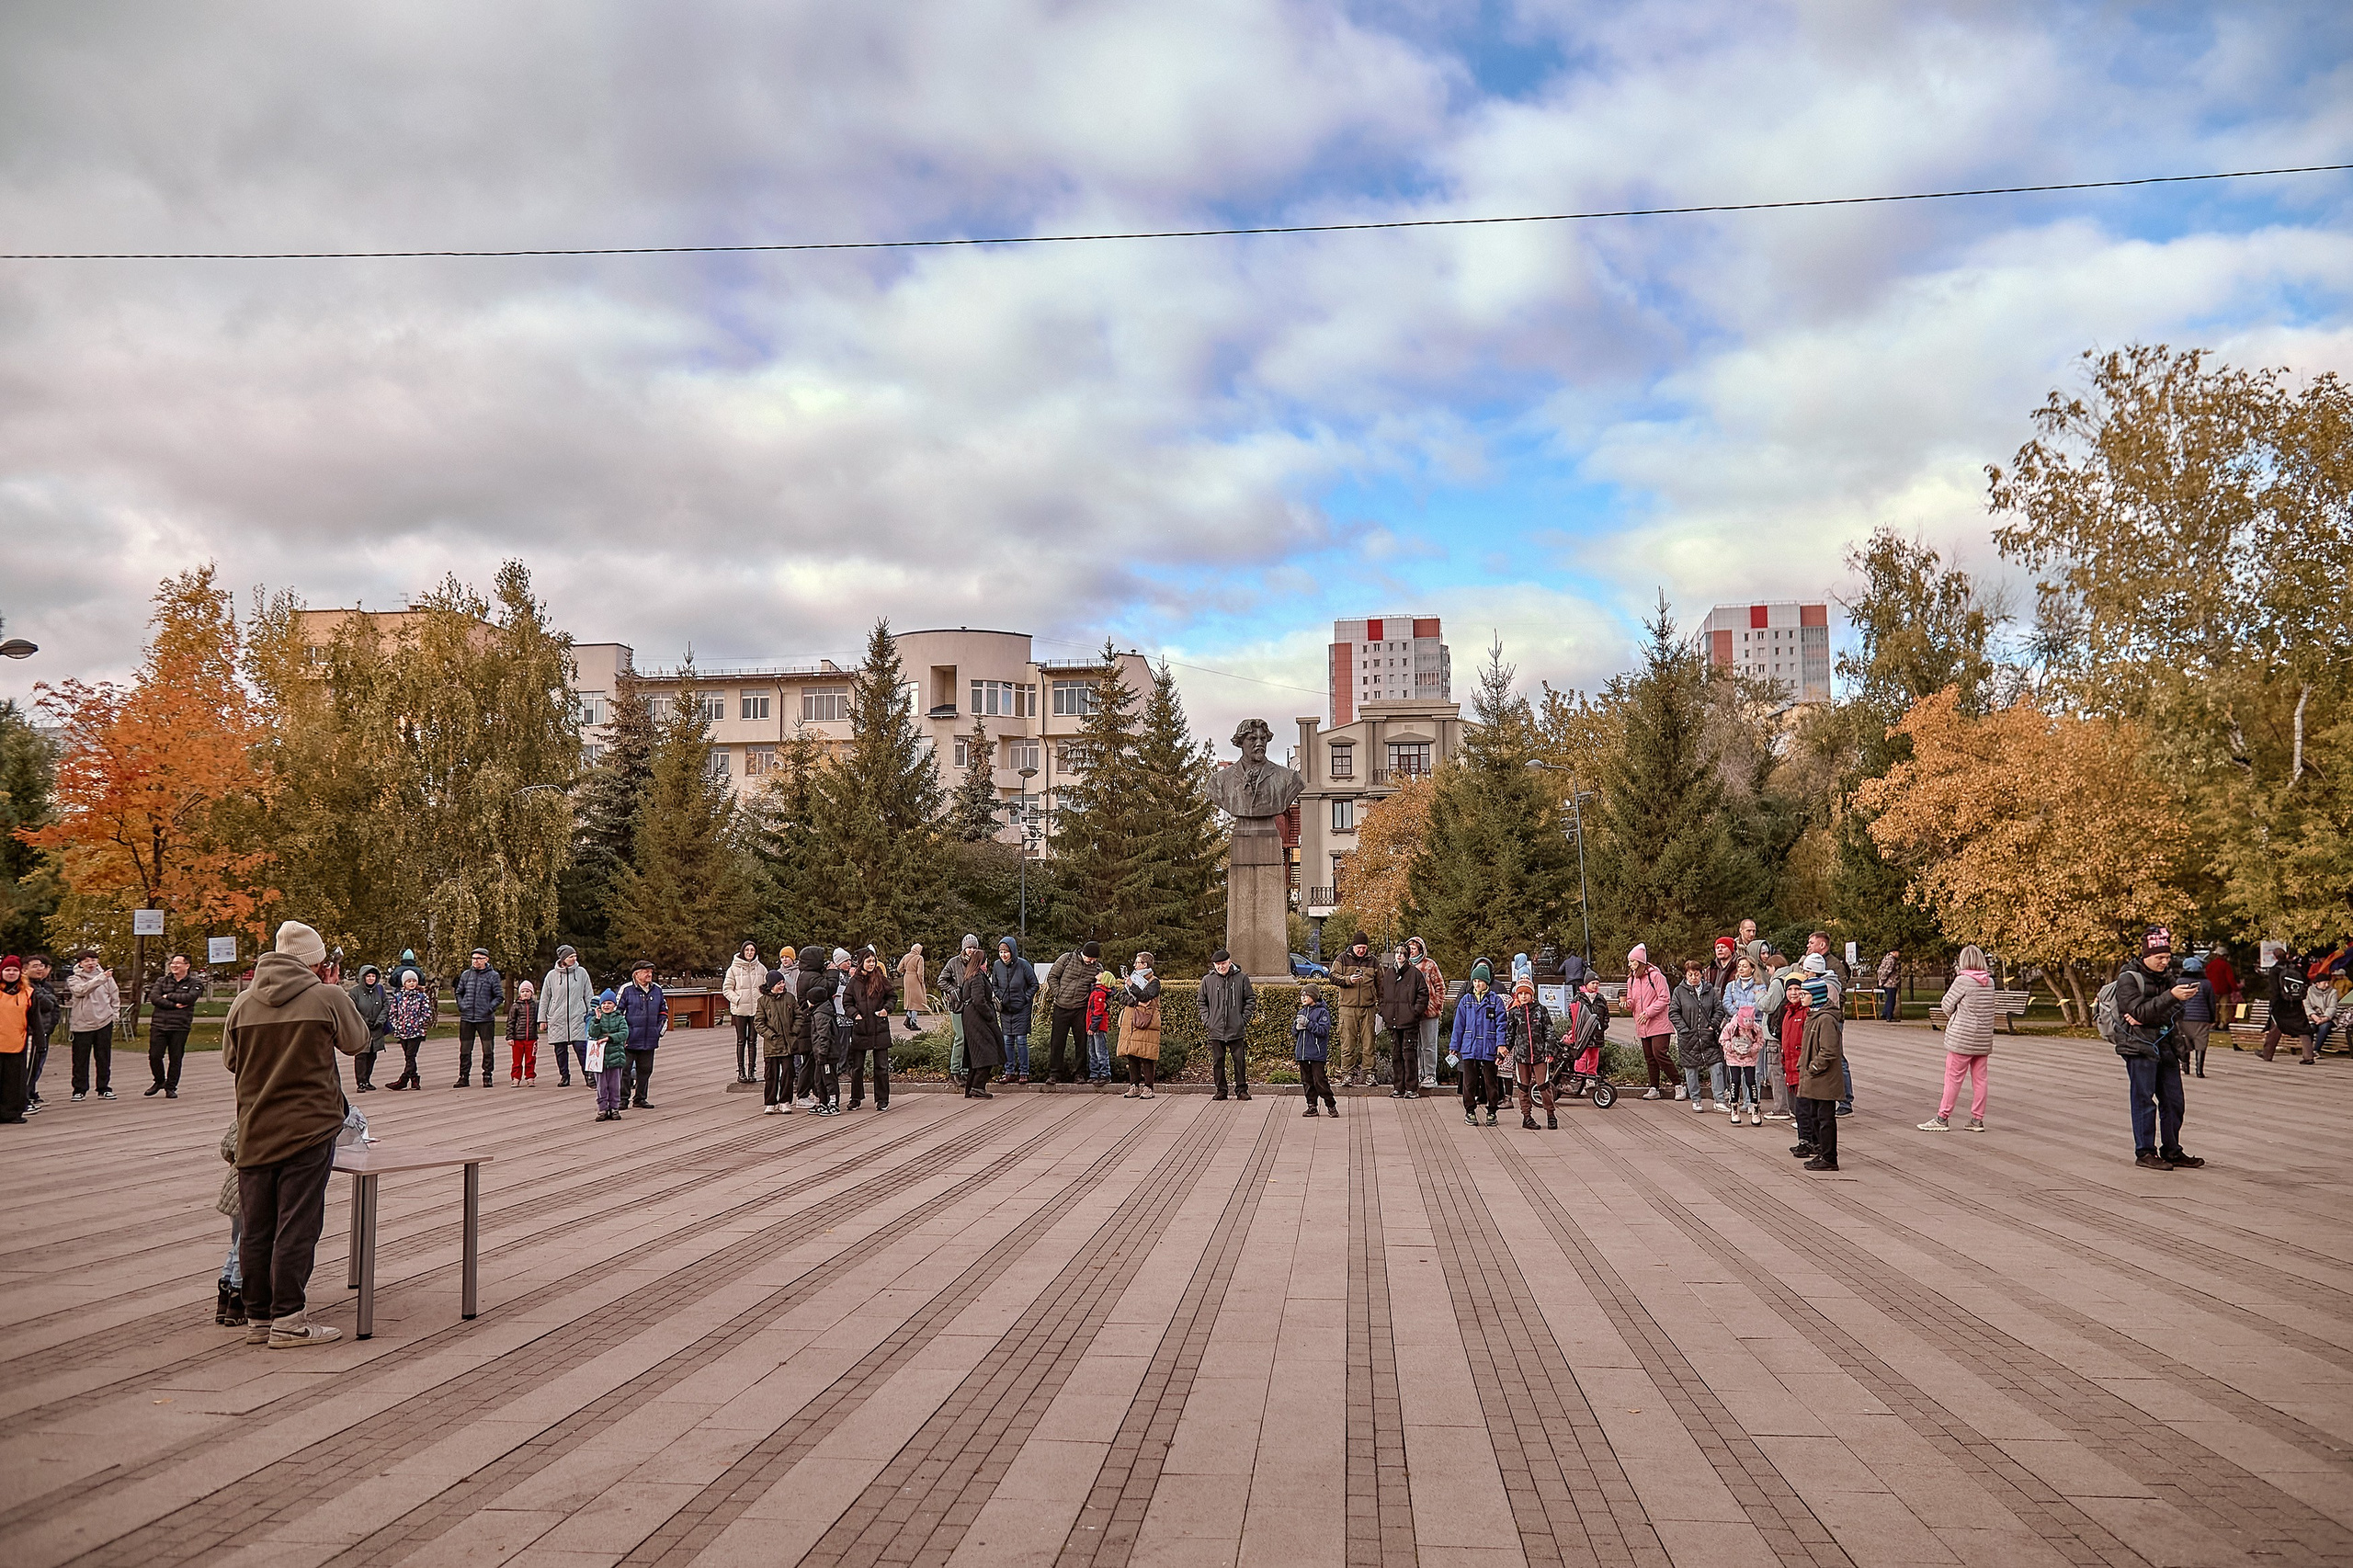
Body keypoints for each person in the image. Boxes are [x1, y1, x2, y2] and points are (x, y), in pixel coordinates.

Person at [223, 920, 368, 1347]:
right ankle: (289, 1319)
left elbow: (233, 1062)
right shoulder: (327, 996)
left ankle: (258, 1318)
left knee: (257, 1227)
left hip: (255, 1128)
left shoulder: (242, 1002)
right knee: (297, 1225)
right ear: (317, 962)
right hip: (308, 1128)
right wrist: (332, 988)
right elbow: (357, 1041)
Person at [2115, 928, 2201, 1170]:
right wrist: (2169, 998)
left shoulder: (2167, 978)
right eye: (2159, 958)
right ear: (2146, 956)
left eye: (2167, 957)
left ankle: (2172, 1150)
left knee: (2174, 1101)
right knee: (2144, 1100)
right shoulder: (2129, 978)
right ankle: (2145, 1152)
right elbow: (2136, 1011)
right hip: (2139, 1046)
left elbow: (2177, 1010)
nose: (2165, 963)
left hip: (2166, 1044)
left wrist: (2158, 1008)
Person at [1918, 946, 1995, 1132]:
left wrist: (1955, 1015)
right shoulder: (1989, 982)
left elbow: (1946, 1004)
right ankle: (1977, 1119)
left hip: (1962, 1037)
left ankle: (1942, 1118)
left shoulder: (1963, 981)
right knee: (1980, 1079)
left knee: (1953, 1078)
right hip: (1983, 1038)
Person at [1791, 957, 1845, 1171]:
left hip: (1823, 1078)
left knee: (1825, 1118)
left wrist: (1813, 1067)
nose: (1800, 997)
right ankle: (1822, 1152)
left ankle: (1829, 1157)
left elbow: (1829, 1050)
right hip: (1814, 1076)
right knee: (1815, 1116)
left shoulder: (1825, 1019)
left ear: (1815, 996)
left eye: (1804, 994)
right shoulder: (1815, 1015)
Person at [1670, 958, 1728, 1114]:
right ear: (1686, 975)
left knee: (1716, 1066)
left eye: (1696, 974)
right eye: (1690, 975)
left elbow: (1719, 1010)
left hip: (1708, 1035)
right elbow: (1673, 1012)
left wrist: (1712, 1026)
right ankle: (1696, 1099)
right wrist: (1684, 1029)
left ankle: (1720, 1099)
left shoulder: (1709, 990)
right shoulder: (1679, 991)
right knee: (1691, 1069)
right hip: (1688, 1036)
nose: (1694, 978)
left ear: (1702, 974)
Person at [1451, 960, 1506, 1125]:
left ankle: (1492, 1111)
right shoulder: (1466, 1001)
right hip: (1469, 1047)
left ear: (1487, 981)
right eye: (1475, 981)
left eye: (1480, 981)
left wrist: (1501, 1045)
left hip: (1489, 1048)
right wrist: (1454, 1046)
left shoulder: (1495, 1001)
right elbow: (1458, 1025)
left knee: (1491, 1081)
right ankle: (1470, 1110)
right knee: (1469, 1082)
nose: (1477, 984)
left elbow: (1502, 1025)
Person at [1373, 942, 1430, 1098]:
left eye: (1403, 953)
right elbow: (1383, 995)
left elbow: (1423, 994)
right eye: (1397, 952)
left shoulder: (1414, 974)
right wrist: (1384, 1012)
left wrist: (1414, 1012)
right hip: (1393, 1020)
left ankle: (1411, 1087)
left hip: (1409, 1021)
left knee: (1409, 1054)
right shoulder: (1389, 974)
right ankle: (1398, 1087)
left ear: (1407, 956)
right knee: (1396, 1054)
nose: (1399, 955)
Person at [1805, 932, 1854, 1113]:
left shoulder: (1833, 966)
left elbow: (1838, 994)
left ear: (1823, 945)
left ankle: (1845, 1101)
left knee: (1836, 1057)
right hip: (1817, 1017)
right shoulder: (1811, 960)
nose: (1808, 946)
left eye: (1812, 943)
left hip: (1830, 1018)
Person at [1199, 949, 1256, 1101]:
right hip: (1215, 1028)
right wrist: (1207, 1020)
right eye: (1217, 964)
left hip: (1235, 1028)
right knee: (1218, 1061)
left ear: (1229, 962)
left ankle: (1242, 1090)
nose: (1220, 967)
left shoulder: (1242, 978)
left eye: (1223, 963)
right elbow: (1202, 1002)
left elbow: (1250, 1000)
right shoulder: (1207, 980)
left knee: (1239, 1061)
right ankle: (1221, 1090)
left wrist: (1242, 1019)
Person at [146, 954, 206, 1098]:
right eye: (173, 963)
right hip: (159, 1024)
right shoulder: (162, 981)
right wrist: (174, 1004)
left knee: (176, 1057)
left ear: (187, 965)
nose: (174, 966)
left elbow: (190, 998)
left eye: (178, 963)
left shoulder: (194, 983)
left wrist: (168, 996)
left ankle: (171, 1086)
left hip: (180, 1025)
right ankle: (159, 1080)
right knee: (154, 1056)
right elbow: (154, 998)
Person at [793, 945, 844, 1111]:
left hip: (810, 1024)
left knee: (815, 1065)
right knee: (811, 1063)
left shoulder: (806, 974)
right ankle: (809, 1095)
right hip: (811, 1026)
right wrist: (833, 972)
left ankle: (819, 1097)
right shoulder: (811, 978)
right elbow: (829, 988)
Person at [1043, 941, 1101, 1084]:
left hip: (1081, 1009)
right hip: (1061, 1007)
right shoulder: (1066, 958)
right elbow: (1052, 977)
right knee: (1057, 1043)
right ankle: (1055, 1074)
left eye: (1094, 959)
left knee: (1081, 1043)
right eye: (1089, 958)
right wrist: (1058, 993)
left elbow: (1104, 989)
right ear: (1083, 953)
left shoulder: (1097, 968)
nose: (1091, 961)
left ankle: (1080, 1074)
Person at [846, 949, 895, 1111]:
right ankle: (856, 1098)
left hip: (879, 1027)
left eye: (873, 961)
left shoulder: (880, 978)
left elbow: (892, 996)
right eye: (868, 961)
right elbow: (847, 1002)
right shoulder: (854, 982)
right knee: (857, 1067)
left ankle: (882, 1099)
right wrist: (855, 1015)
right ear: (861, 963)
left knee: (881, 1066)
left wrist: (886, 1010)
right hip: (861, 1028)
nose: (871, 964)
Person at [540, 945, 595, 1088]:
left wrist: (593, 1013)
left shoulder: (582, 973)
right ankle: (564, 1076)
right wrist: (542, 1019)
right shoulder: (552, 975)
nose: (574, 959)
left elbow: (588, 994)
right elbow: (545, 997)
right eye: (571, 956)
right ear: (563, 959)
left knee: (581, 1048)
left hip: (578, 1017)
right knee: (560, 1050)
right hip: (557, 1018)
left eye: (575, 956)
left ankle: (588, 1075)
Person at [67, 950, 119, 1101]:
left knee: (103, 1057)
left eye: (93, 960)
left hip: (104, 1021)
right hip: (82, 1024)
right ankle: (79, 1089)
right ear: (80, 963)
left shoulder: (108, 978)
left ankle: (104, 1088)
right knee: (80, 1059)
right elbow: (81, 991)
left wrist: (114, 1014)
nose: (90, 963)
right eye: (87, 961)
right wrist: (100, 978)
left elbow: (114, 996)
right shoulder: (74, 979)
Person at [1506, 978, 1557, 1131]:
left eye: (1526, 993)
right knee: (1523, 1088)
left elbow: (1549, 1030)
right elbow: (1510, 1035)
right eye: (1520, 993)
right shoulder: (1514, 1012)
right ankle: (1527, 1117)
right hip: (1522, 1057)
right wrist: (1503, 1053)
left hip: (1540, 1055)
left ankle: (1551, 1114)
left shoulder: (1541, 1010)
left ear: (1532, 994)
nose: (1523, 996)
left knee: (1544, 1086)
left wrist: (1549, 1050)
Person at [1623, 945, 1674, 1100]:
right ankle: (1654, 1088)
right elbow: (1632, 1000)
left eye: (1632, 961)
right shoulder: (1631, 979)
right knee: (1649, 1057)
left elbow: (1665, 998)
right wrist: (1628, 1004)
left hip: (1658, 1023)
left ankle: (1678, 1084)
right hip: (1642, 1024)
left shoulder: (1656, 977)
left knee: (1660, 1053)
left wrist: (1649, 1012)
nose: (1630, 965)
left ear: (1640, 961)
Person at [953, 943, 1003, 1098]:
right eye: (986, 961)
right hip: (977, 1018)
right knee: (986, 1051)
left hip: (971, 1017)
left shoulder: (971, 975)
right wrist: (989, 1015)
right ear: (981, 962)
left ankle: (972, 1087)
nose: (987, 964)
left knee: (976, 1053)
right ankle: (978, 1086)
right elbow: (979, 1000)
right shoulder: (977, 977)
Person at [1328, 934, 1379, 1087]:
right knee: (1347, 1043)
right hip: (1347, 1008)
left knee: (1369, 1043)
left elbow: (1381, 984)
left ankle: (1369, 1074)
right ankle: (1347, 1075)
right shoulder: (1342, 959)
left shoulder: (1373, 961)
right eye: (1359, 948)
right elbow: (1332, 977)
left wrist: (1381, 1006)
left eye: (1364, 948)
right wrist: (1348, 980)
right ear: (1353, 946)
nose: (1362, 950)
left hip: (1368, 1007)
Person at [620, 961, 667, 1108]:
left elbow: (664, 1011)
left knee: (646, 1070)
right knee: (625, 1070)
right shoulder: (626, 990)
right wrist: (623, 1034)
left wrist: (658, 1031)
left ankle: (640, 1098)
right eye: (645, 971)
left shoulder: (657, 990)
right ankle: (623, 1099)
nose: (649, 974)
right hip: (630, 1039)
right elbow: (617, 1013)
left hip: (650, 1038)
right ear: (636, 974)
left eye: (650, 971)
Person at [756, 968, 802, 1114]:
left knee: (788, 1073)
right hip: (772, 1045)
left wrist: (794, 1031)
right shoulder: (763, 1001)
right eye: (778, 983)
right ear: (771, 985)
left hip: (788, 1044)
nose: (782, 986)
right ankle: (770, 1102)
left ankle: (785, 1101)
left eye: (783, 982)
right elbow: (758, 1022)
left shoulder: (789, 998)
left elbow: (799, 1016)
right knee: (771, 1075)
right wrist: (770, 1035)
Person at [991, 937, 1038, 1083]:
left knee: (1021, 1040)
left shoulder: (1023, 965)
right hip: (1005, 1009)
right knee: (1007, 1040)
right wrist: (999, 997)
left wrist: (1025, 998)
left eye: (1006, 951)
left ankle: (1024, 1072)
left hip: (1021, 1009)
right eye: (1001, 952)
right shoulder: (997, 966)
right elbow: (994, 985)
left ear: (1012, 951)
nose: (1003, 955)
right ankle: (1009, 1071)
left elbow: (1034, 984)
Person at [2259, 950, 2316, 1065]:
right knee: (2303, 1027)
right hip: (2296, 1002)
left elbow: (2274, 990)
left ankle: (2267, 1054)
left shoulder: (2275, 970)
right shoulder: (2296, 968)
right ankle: (2308, 1055)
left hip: (2281, 1003)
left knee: (2276, 1026)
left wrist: (2273, 1005)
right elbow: (2305, 982)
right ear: (2286, 955)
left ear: (2275, 957)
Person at [214, 1123, 245, 1325]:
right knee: (246, 1245)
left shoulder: (244, 1116)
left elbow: (226, 1147)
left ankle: (224, 1293)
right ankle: (238, 1294)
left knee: (237, 1244)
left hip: (234, 1187)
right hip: (252, 1190)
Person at [722, 940, 767, 1085]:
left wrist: (762, 1000)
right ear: (743, 951)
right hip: (740, 1010)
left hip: (756, 1010)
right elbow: (727, 988)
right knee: (741, 1040)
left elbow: (767, 987)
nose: (749, 953)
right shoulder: (733, 969)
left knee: (753, 1041)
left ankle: (751, 1071)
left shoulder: (760, 968)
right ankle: (741, 1071)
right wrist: (737, 999)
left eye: (752, 950)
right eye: (747, 950)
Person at [1119, 954, 1161, 1099]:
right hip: (1130, 1020)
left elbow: (1146, 996)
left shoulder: (1154, 981)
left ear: (1145, 965)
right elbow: (1122, 997)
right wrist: (1135, 1002)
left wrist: (1132, 986)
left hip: (1146, 1022)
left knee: (1146, 1055)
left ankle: (1149, 1087)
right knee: (1132, 1054)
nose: (1135, 965)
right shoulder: (1132, 978)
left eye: (1138, 963)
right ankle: (1134, 1085)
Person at [344, 963, 391, 1092]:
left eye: (373, 976)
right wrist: (365, 1021)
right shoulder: (354, 992)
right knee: (361, 1055)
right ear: (363, 977)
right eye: (368, 976)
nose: (371, 979)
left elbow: (386, 1006)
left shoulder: (380, 990)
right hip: (361, 1029)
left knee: (372, 1055)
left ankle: (367, 1080)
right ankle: (361, 1082)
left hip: (376, 1028)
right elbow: (352, 1009)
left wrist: (380, 1020)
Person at [941, 935, 980, 1086]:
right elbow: (941, 980)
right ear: (964, 948)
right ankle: (954, 1070)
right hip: (957, 1006)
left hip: (971, 1006)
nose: (971, 950)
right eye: (969, 947)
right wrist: (953, 991)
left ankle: (965, 1071)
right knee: (961, 1037)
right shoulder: (954, 962)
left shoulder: (976, 963)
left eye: (974, 947)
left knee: (969, 1038)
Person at [1406, 937, 1445, 1088]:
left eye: (1414, 948)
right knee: (1413, 1046)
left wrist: (1437, 1006)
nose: (1411, 951)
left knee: (1428, 1045)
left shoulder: (1430, 965)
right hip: (1411, 1013)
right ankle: (1417, 1074)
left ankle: (1430, 1075)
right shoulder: (1405, 965)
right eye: (1409, 948)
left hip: (1429, 1013)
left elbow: (1440, 986)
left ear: (1420, 950)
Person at [22, 954, 59, 1114]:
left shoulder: (45, 986)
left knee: (37, 1066)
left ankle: (31, 1092)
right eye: (35, 966)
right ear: (25, 970)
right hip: (31, 1033)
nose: (39, 969)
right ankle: (24, 1097)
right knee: (28, 1066)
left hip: (44, 1030)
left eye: (41, 966)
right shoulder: (26, 986)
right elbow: (46, 1004)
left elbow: (54, 1007)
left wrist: (51, 1026)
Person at [1292, 984, 1336, 1116]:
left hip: (1316, 1053)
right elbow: (1294, 1032)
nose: (1303, 998)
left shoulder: (1322, 1012)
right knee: (1306, 1081)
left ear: (1314, 996)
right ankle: (1312, 1105)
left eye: (1306, 995)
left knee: (1319, 1081)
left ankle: (1331, 1105)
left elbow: (1323, 1031)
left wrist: (1308, 1024)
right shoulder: (1301, 1012)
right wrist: (1296, 1028)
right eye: (1302, 995)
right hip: (1303, 1053)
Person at [586, 989, 630, 1120]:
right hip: (600, 1058)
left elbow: (624, 1033)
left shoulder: (620, 1019)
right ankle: (602, 1109)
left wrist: (609, 1038)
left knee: (615, 1085)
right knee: (601, 1085)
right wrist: (598, 1020)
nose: (606, 1006)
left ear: (614, 1005)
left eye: (609, 1003)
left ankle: (614, 1108)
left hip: (616, 1056)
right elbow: (592, 1033)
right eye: (604, 1003)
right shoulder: (595, 1019)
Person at [385, 971, 432, 1089]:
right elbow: (392, 1013)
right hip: (402, 1031)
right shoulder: (399, 996)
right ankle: (414, 1078)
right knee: (408, 1056)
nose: (412, 983)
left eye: (414, 981)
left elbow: (427, 1013)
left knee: (411, 1055)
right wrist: (396, 1024)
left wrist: (418, 1022)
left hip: (416, 1031)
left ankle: (403, 1079)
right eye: (409, 981)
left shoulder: (421, 996)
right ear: (404, 983)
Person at [0, 956, 31, 1124]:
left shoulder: (28, 993)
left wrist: (40, 1040)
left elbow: (34, 1019)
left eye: (14, 970)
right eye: (7, 970)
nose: (11, 973)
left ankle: (12, 1113)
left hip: (17, 1043)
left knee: (14, 1081)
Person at [2175, 955, 2216, 1079]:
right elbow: (2211, 1002)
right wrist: (2212, 1018)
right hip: (2201, 1018)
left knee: (2184, 1042)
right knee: (2201, 1043)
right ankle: (2199, 1070)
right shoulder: (2206, 984)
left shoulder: (2179, 983)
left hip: (2184, 1017)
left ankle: (2186, 1066)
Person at [507, 979, 540, 1085]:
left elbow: (539, 1018)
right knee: (517, 1060)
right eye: (523, 991)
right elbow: (510, 1022)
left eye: (527, 991)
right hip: (518, 1038)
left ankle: (530, 1077)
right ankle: (516, 1078)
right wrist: (510, 1036)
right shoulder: (515, 1006)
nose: (525, 993)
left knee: (530, 1059)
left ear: (531, 993)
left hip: (531, 1038)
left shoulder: (535, 1006)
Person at [1086, 969, 1115, 1084]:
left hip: (1097, 1027)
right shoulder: (1096, 990)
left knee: (1099, 1051)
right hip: (1094, 1026)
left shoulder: (1099, 993)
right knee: (1093, 1051)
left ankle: (1104, 1073)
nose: (1099, 973)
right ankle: (1095, 1073)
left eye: (1102, 974)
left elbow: (1097, 1012)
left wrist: (1092, 1027)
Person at [898, 942, 926, 1032]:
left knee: (909, 1000)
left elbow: (899, 968)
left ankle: (908, 1018)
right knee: (915, 1002)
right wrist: (921, 981)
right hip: (915, 979)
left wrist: (906, 971)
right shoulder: (919, 958)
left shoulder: (906, 956)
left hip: (907, 978)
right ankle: (913, 1022)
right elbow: (920, 972)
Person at [1877, 949, 1903, 1023]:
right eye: (1898, 952)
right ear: (1894, 952)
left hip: (1888, 982)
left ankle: (1884, 1014)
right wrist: (1882, 981)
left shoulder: (1886, 958)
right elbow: (1886, 971)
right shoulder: (1891, 960)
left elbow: (1880, 970)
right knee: (1891, 1000)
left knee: (1889, 999)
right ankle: (1889, 1016)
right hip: (1890, 983)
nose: (1899, 954)